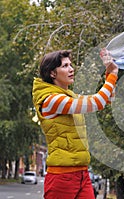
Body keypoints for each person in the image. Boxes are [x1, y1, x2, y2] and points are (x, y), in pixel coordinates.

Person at [32, 48, 118, 199]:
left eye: (71, 65)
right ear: (52, 73)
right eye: (65, 66)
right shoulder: (51, 100)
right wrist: (113, 74)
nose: (71, 69)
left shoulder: (70, 97)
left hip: (82, 173)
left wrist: (109, 74)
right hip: (62, 177)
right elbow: (97, 102)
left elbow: (107, 100)